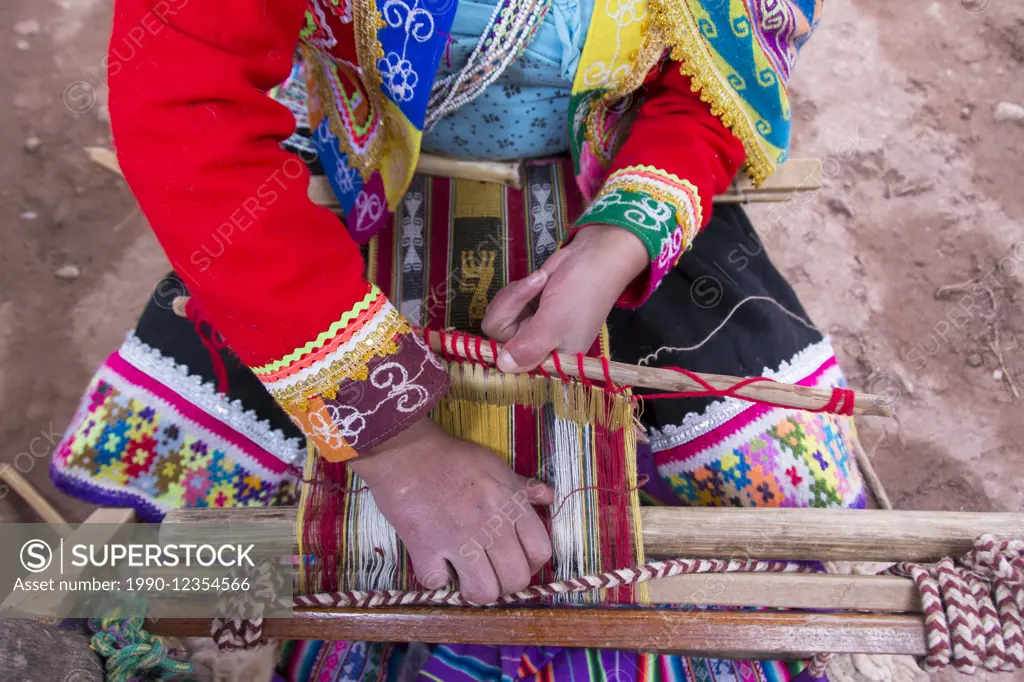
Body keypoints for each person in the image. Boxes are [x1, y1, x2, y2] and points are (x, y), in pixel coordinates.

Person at [52, 0, 868, 678]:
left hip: (603, 173)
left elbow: (720, 63)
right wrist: (397, 447)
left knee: (776, 493)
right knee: (184, 535)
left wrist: (620, 240)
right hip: (344, 167)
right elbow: (186, 97)